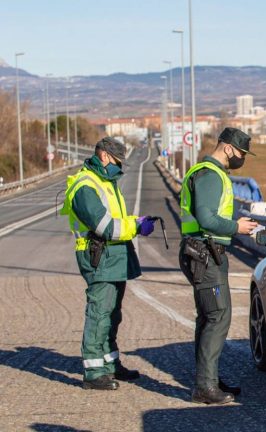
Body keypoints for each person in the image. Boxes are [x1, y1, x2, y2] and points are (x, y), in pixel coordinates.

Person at [60, 137, 156, 390]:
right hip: (98, 255)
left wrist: (136, 220)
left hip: (113, 255)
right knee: (99, 313)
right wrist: (136, 226)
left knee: (113, 314)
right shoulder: (85, 186)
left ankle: (111, 364)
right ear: (104, 156)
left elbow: (116, 219)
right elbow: (104, 226)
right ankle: (94, 373)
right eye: (116, 161)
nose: (119, 167)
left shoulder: (104, 181)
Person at [178, 127, 260, 405]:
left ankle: (208, 379)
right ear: (227, 148)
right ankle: (205, 386)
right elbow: (207, 218)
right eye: (240, 153)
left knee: (209, 316)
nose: (241, 158)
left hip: (205, 251)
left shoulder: (208, 172)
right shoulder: (210, 175)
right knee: (218, 315)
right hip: (204, 252)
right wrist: (237, 227)